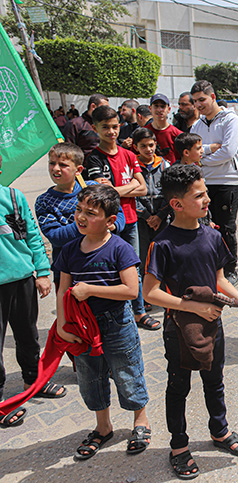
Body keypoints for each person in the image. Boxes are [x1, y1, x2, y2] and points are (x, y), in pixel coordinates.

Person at [144, 164, 238, 479]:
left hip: (212, 325)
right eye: (199, 195)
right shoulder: (162, 243)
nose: (208, 199)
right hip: (178, 329)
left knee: (214, 381)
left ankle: (219, 432)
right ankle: (179, 446)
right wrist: (192, 307)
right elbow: (150, 293)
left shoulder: (212, 236)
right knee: (179, 387)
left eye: (206, 192)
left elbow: (220, 280)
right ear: (176, 204)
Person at [53, 184, 151, 459]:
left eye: (91, 213)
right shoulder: (70, 249)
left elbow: (132, 291)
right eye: (79, 210)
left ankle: (140, 420)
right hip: (83, 328)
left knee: (127, 371)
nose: (81, 217)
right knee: (90, 376)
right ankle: (103, 426)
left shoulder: (120, 249)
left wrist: (91, 290)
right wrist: (62, 325)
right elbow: (63, 289)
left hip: (117, 323)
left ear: (110, 221)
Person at [0, 154, 66, 428]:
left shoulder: (13, 197)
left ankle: (33, 381)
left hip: (22, 279)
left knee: (28, 336)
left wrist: (41, 272)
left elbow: (33, 237)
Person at [86, 105, 160, 331]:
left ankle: (139, 313)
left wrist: (116, 189)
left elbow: (143, 189)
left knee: (133, 268)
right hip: (106, 224)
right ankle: (111, 315)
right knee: (108, 270)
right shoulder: (94, 159)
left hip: (130, 221)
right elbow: (103, 194)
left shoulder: (128, 155)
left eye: (115, 126)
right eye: (105, 127)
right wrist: (129, 187)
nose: (111, 132)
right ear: (94, 128)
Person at [36, 142, 126, 285]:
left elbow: (119, 215)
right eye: (52, 163)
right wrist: (91, 224)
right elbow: (56, 237)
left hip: (104, 263)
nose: (56, 169)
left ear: (78, 170)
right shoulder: (44, 201)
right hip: (69, 270)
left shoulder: (93, 187)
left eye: (63, 165)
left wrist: (113, 226)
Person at [190, 80, 238, 286]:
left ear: (212, 97)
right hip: (205, 182)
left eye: (202, 100)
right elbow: (192, 150)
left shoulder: (230, 120)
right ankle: (210, 268)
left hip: (228, 182)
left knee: (225, 228)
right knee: (204, 226)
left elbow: (228, 151)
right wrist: (209, 149)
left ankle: (230, 269)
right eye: (195, 101)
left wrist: (201, 157)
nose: (198, 105)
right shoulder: (198, 124)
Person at [133, 128, 171, 292]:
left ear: (155, 144)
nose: (148, 150)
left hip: (162, 219)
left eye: (151, 145)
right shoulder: (132, 166)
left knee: (163, 254)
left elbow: (170, 194)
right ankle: (145, 293)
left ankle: (164, 290)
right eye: (143, 146)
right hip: (142, 220)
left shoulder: (164, 165)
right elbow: (131, 196)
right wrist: (147, 216)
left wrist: (160, 216)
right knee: (143, 256)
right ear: (136, 147)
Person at [65, 93, 109, 162]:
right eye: (104, 108)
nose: (106, 111)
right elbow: (68, 150)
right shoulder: (75, 124)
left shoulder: (105, 124)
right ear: (93, 106)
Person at [148, 94, 183, 165]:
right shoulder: (144, 132)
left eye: (162, 106)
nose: (159, 110)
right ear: (150, 109)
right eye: (156, 106)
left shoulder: (177, 134)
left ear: (169, 109)